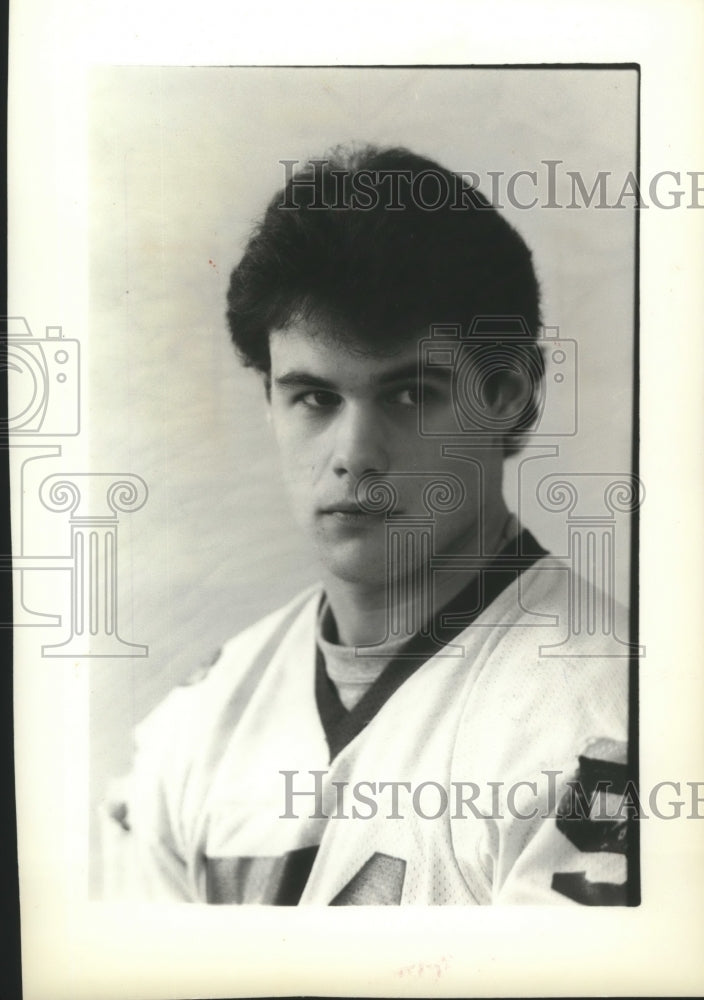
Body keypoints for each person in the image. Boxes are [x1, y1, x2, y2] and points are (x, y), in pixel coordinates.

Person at [104, 146, 633, 906]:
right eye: (315, 398)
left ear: (509, 396)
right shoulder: (197, 724)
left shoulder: (607, 725)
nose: (353, 455)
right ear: (271, 402)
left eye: (411, 393)